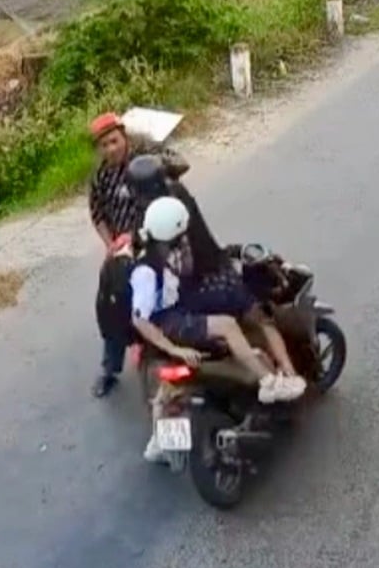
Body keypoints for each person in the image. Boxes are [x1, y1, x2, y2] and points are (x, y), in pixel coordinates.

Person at [131, 197, 305, 462]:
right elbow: (140, 319)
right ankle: (268, 382)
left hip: (174, 315)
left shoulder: (159, 251)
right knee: (227, 325)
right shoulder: (146, 272)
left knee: (165, 389)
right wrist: (174, 347)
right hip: (171, 323)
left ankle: (158, 443)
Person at [125, 156, 306, 388]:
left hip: (177, 301)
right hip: (206, 280)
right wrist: (229, 254)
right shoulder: (177, 198)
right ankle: (288, 375)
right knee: (260, 316)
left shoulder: (142, 221)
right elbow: (200, 244)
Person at [88, 112, 188, 398]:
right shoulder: (100, 177)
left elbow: (181, 167)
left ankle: (173, 354)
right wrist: (111, 245)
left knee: (166, 299)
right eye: (104, 145)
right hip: (122, 251)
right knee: (112, 307)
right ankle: (110, 368)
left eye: (115, 141)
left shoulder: (144, 165)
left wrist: (154, 150)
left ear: (125, 137)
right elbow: (97, 215)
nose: (111, 149)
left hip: (155, 243)